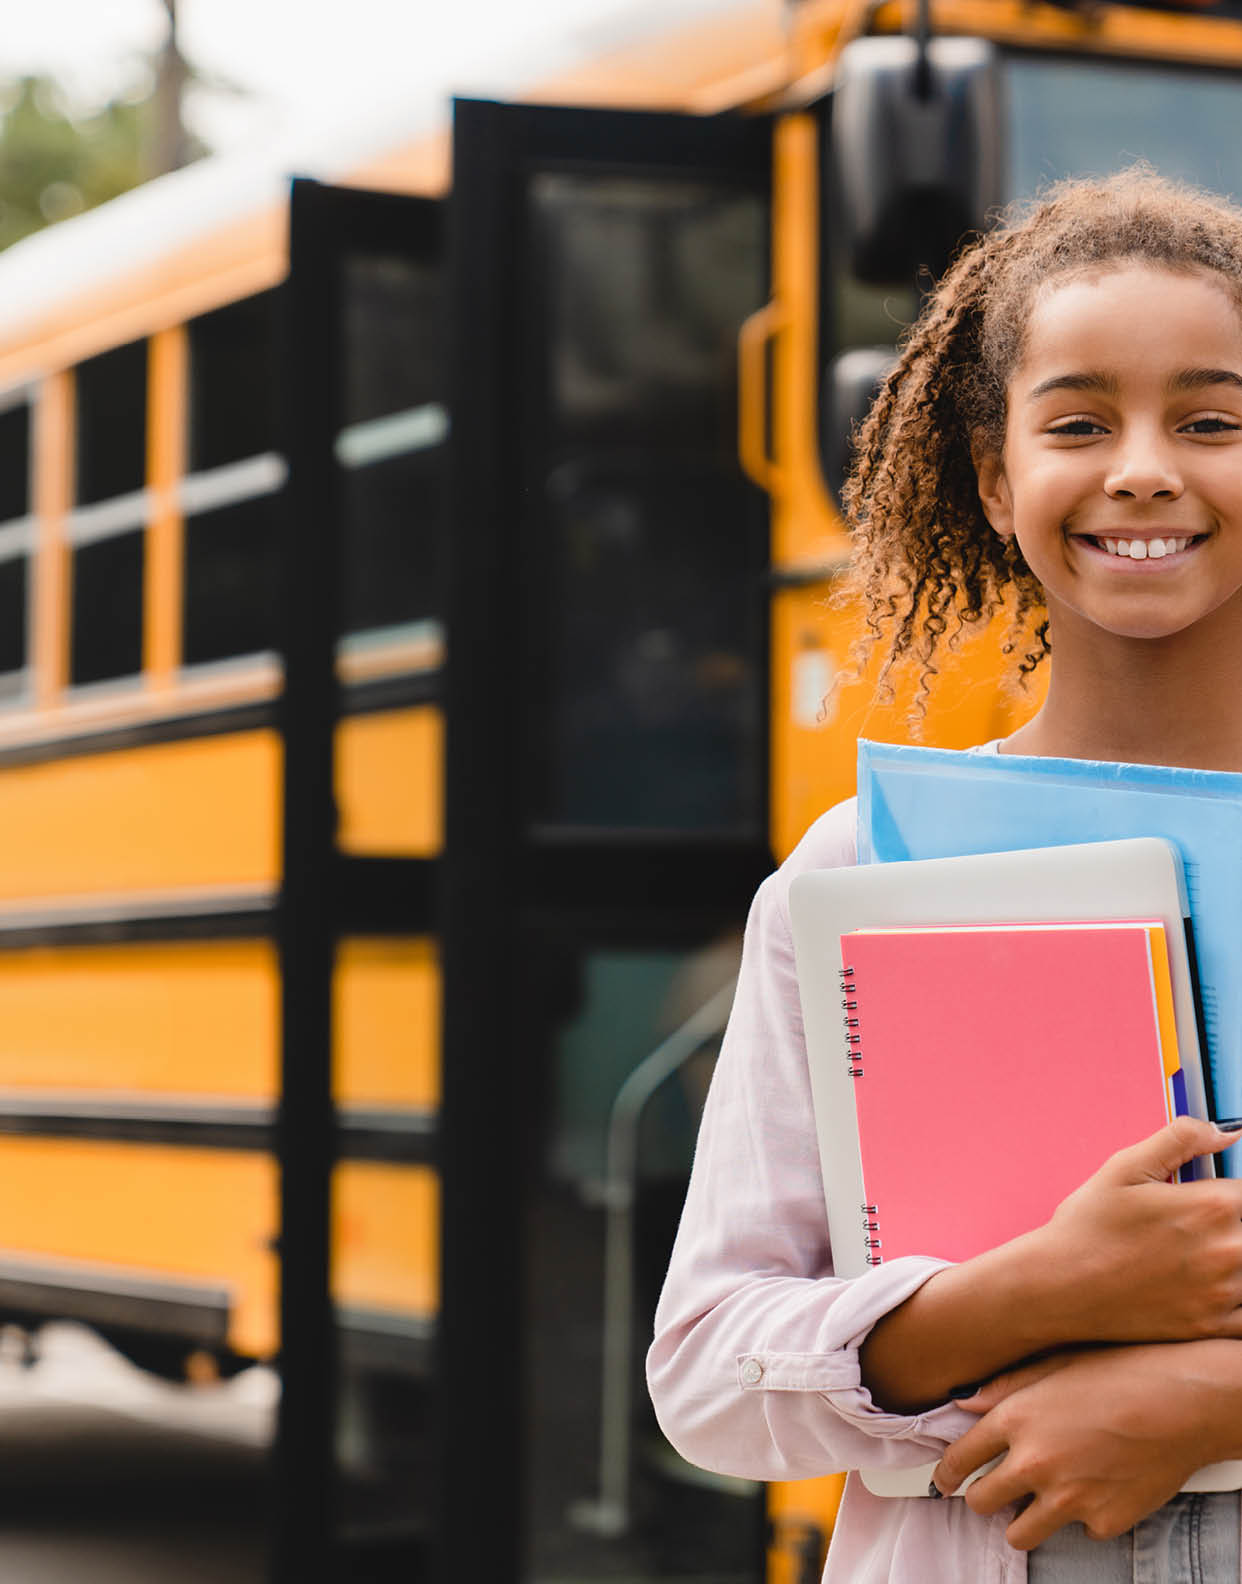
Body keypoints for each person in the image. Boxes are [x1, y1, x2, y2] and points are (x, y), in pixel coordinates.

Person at [645, 167, 1242, 1582]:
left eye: (1210, 419)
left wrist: (1208, 1400)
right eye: (1077, 421)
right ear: (990, 478)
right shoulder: (861, 875)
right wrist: (1024, 1294)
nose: (1143, 466)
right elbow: (708, 1374)